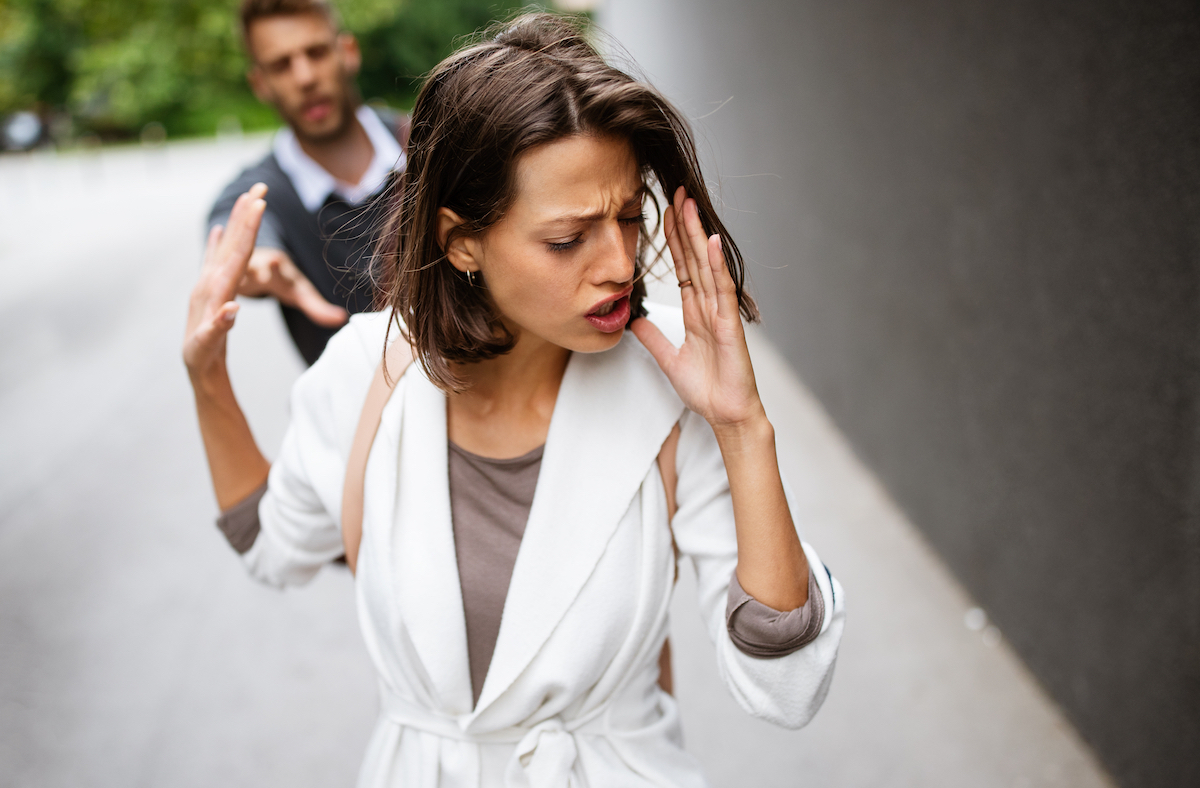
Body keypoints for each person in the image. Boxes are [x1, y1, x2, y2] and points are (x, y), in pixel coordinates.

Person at [184, 13, 844, 786]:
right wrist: (207, 378)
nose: (620, 264)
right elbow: (274, 548)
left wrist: (743, 427)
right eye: (568, 239)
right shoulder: (366, 369)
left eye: (630, 217)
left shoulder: (677, 382)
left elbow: (785, 688)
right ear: (461, 240)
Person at [208, 0, 410, 366]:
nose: (305, 78)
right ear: (260, 83)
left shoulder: (430, 144)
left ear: (348, 52)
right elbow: (233, 228)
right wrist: (254, 258)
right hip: (353, 421)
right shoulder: (262, 192)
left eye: (315, 53)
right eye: (281, 65)